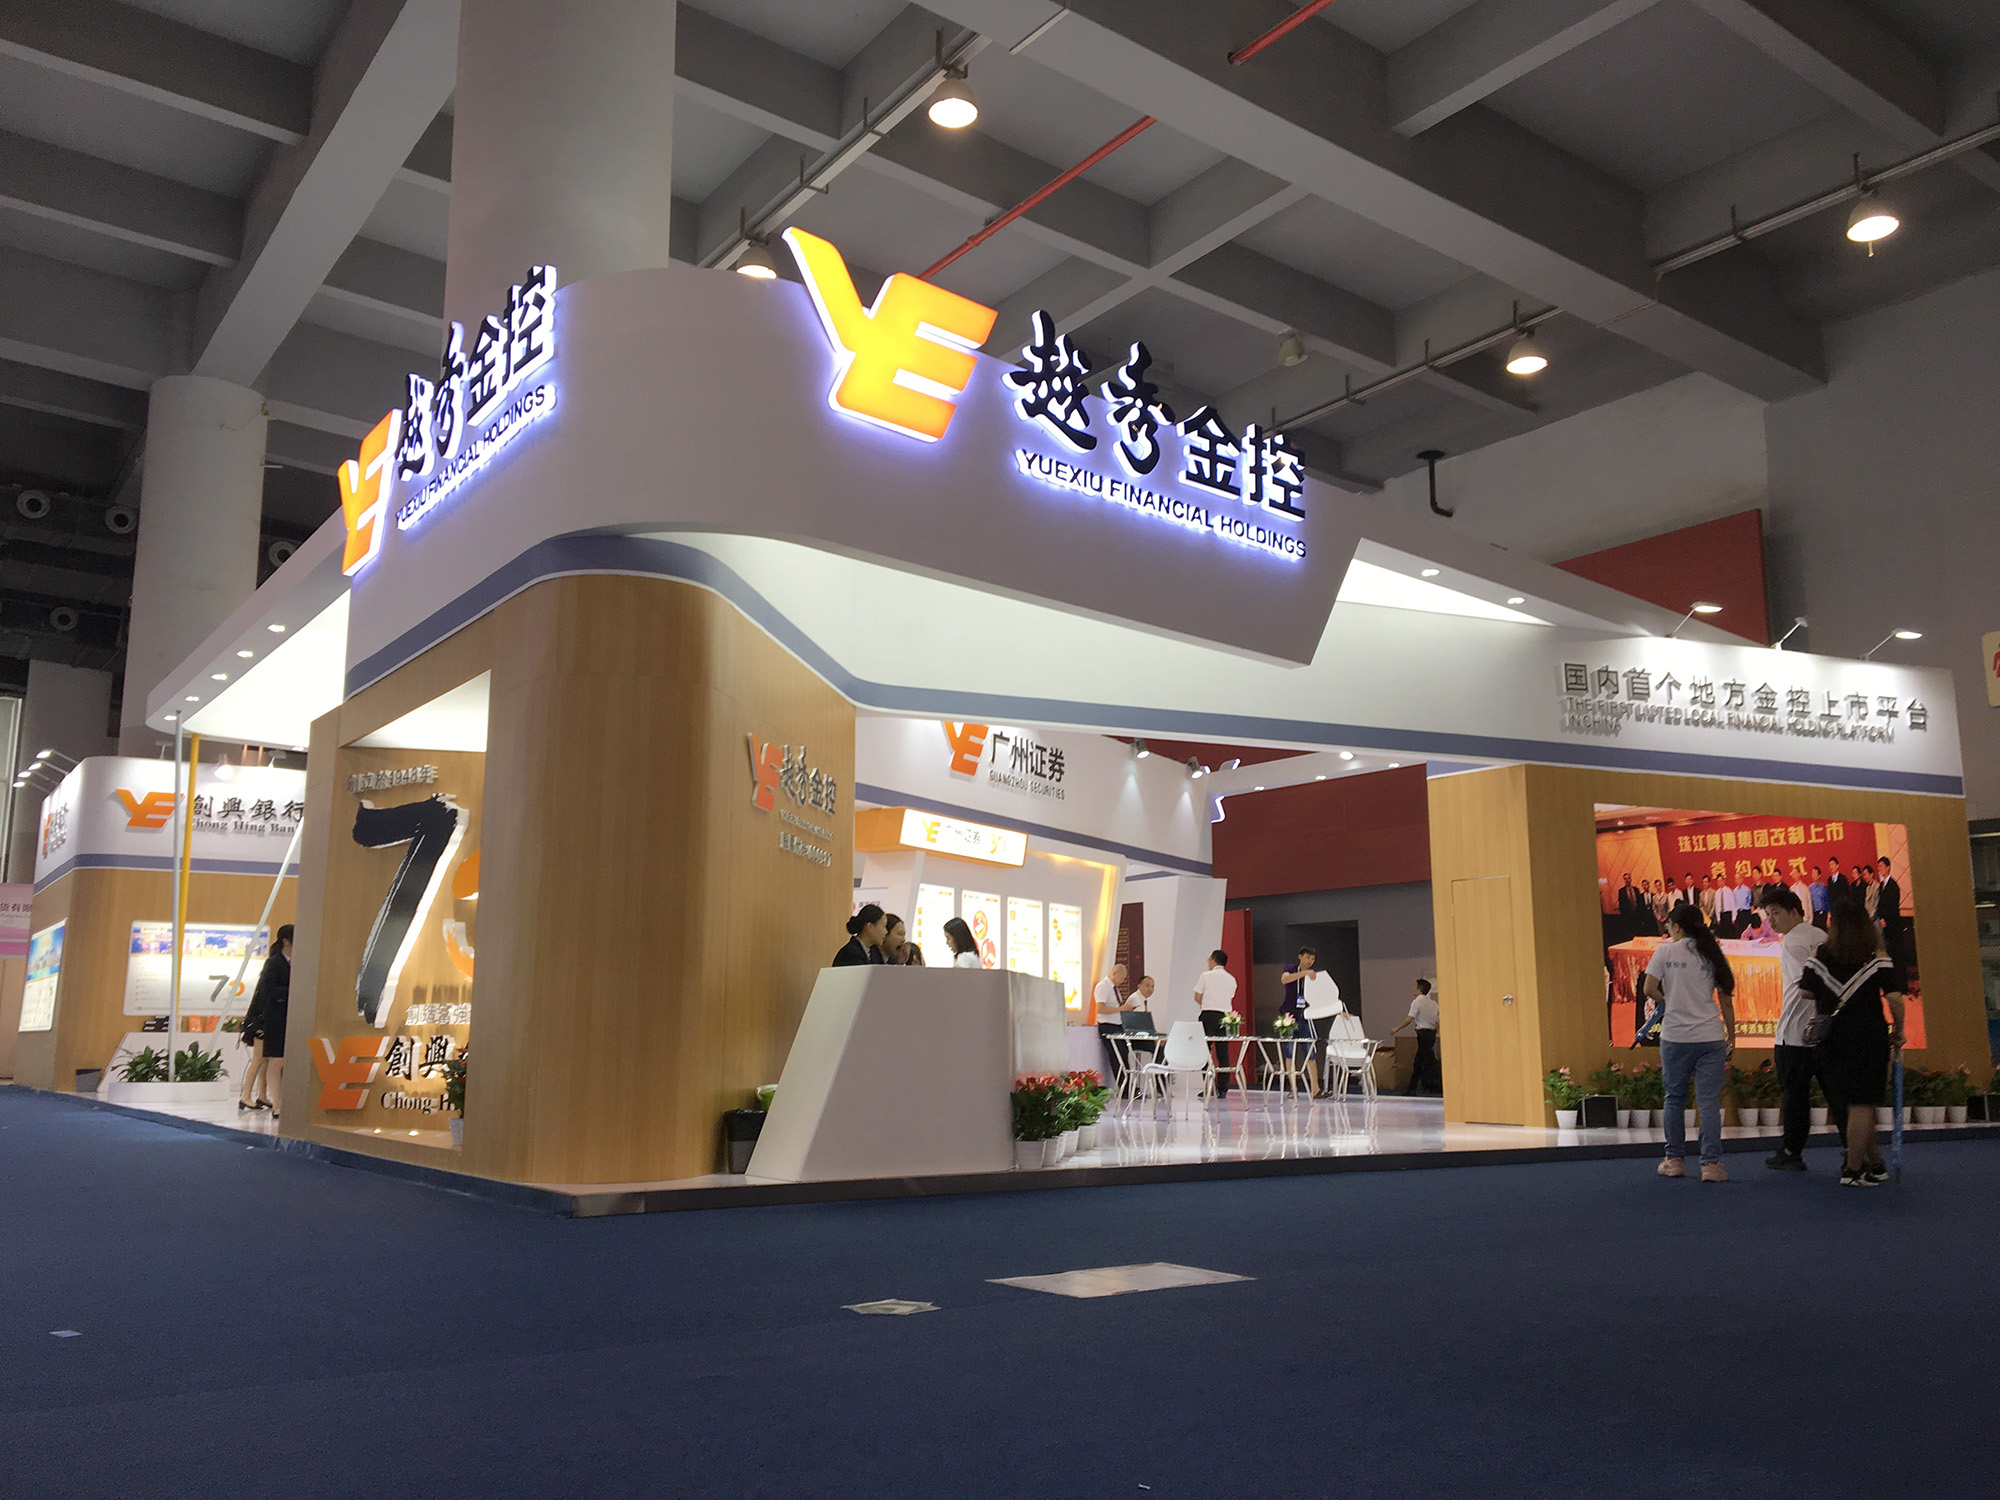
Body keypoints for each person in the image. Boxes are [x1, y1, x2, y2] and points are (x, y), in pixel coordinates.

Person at [1800, 894, 1906, 1186]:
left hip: (1830, 1037)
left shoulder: (1821, 954)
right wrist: (1899, 1029)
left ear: (1833, 923)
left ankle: (1875, 1164)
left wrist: (1829, 992)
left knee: (1854, 1104)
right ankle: (1852, 1170)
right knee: (1863, 1102)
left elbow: (1804, 991)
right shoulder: (1876, 955)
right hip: (1867, 1035)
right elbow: (1895, 998)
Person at [1639, 902, 1737, 1182]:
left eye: (1669, 926)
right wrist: (1732, 1037)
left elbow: (1648, 988)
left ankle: (1674, 1161)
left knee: (1674, 1099)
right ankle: (1711, 1165)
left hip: (1676, 1036)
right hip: (1710, 1036)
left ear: (1677, 927)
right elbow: (1726, 1001)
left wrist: (1669, 1002)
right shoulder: (1711, 953)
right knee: (1708, 1102)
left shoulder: (1665, 952)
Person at [1756, 887, 1828, 1170]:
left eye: (1776, 913)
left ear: (1795, 912)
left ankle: (1791, 1151)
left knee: (1794, 1096)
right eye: (1767, 914)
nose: (1771, 920)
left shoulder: (1793, 942)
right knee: (1835, 1095)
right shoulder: (1821, 936)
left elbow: (1805, 986)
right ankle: (1855, 1154)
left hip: (1795, 1032)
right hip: (1825, 1031)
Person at [238, 924, 292, 1119]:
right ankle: (248, 1096)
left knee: (265, 1061)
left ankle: (262, 1096)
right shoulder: (273, 964)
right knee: (263, 1060)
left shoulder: (292, 962)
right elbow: (265, 995)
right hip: (266, 1021)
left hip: (277, 1020)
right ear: (286, 941)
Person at [1281, 947, 1344, 1098]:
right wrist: (1304, 974)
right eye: (1308, 957)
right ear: (1300, 957)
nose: (1310, 961)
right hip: (1288, 1017)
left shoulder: (1315, 976)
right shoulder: (1291, 968)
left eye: (1313, 959)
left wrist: (1337, 1009)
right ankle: (1293, 1088)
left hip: (1305, 1017)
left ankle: (1315, 1088)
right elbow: (1284, 979)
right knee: (1289, 1053)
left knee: (1310, 1052)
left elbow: (1322, 996)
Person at [1192, 950, 1239, 1099]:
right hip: (1225, 1017)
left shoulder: (1206, 976)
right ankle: (1223, 1088)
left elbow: (1197, 996)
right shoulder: (1231, 979)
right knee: (1223, 1053)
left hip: (1208, 1015)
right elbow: (1230, 996)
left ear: (1213, 960)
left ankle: (1209, 1086)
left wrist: (1206, 1003)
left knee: (1205, 1051)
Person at [1383, 978, 1441, 1094]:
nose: (1413, 989)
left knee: (1422, 1061)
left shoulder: (1417, 1002)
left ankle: (1413, 1088)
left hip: (1422, 1034)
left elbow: (1409, 1019)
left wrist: (1397, 1028)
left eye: (1415, 987)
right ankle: (1426, 1086)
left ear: (1419, 990)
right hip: (1431, 1034)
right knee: (1427, 1060)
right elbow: (1437, 1022)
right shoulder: (1434, 1004)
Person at [1874, 856, 1906, 966]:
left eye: (1881, 866)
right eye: (1878, 867)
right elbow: (1880, 904)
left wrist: (1885, 919)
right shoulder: (1881, 885)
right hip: (1884, 924)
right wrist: (1881, 917)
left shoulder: (1893, 886)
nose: (1879, 869)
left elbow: (1892, 906)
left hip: (1892, 923)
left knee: (1895, 951)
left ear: (1887, 868)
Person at [1809, 864, 1830, 928]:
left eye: (1815, 873)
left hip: (1822, 913)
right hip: (1814, 914)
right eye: (1812, 873)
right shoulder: (1810, 888)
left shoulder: (1823, 887)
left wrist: (1829, 916)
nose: (1814, 875)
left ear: (1819, 875)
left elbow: (1827, 902)